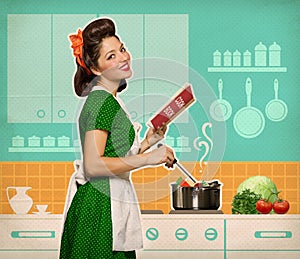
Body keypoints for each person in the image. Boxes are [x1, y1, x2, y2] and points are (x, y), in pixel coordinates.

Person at [60, 18, 175, 259]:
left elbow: (113, 156)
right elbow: (93, 165)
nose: (123, 58)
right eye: (111, 56)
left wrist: (147, 142)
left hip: (108, 205)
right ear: (95, 69)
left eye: (121, 49)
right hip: (99, 209)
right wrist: (149, 159)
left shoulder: (110, 101)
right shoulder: (100, 102)